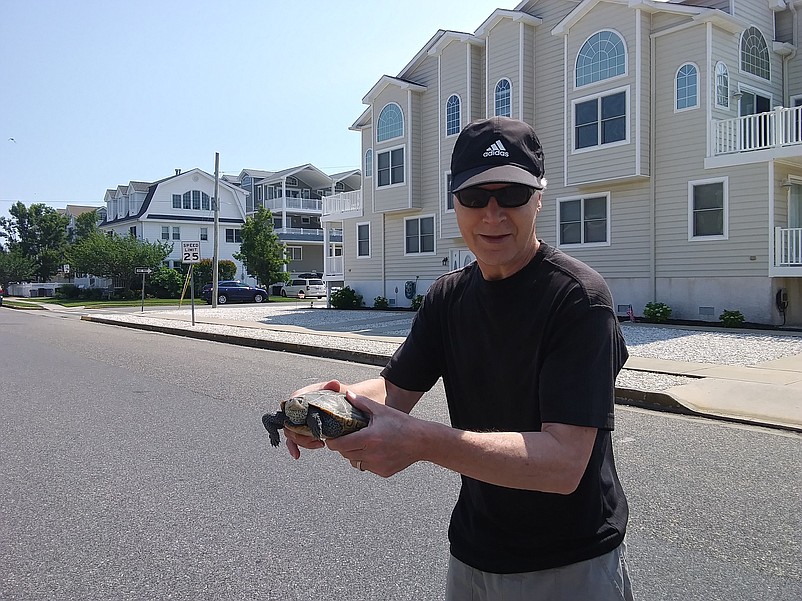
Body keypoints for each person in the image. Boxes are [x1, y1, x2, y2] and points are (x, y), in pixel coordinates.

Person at [282, 116, 634, 600]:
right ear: (454, 203)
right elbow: (393, 391)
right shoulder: (448, 297)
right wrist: (326, 405)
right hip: (473, 552)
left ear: (538, 198)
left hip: (568, 563)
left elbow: (563, 464)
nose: (493, 214)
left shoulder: (577, 299)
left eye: (511, 194)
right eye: (474, 197)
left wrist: (422, 442)